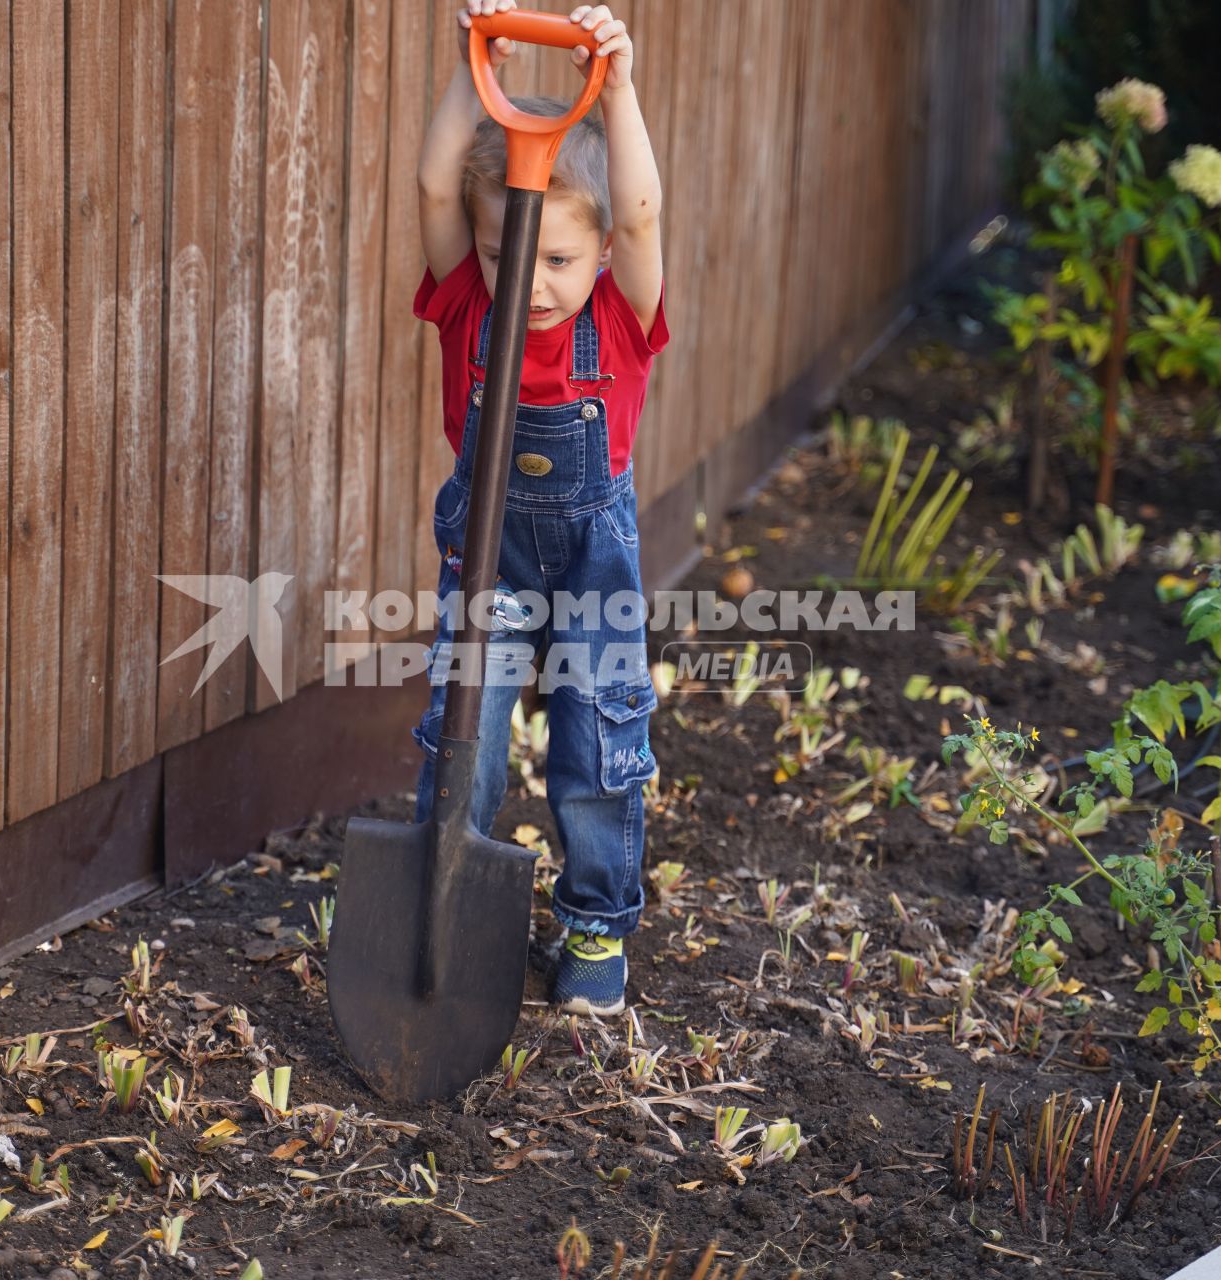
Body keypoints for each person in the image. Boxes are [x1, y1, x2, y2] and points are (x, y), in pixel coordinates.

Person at [410, 0, 667, 1017]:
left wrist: (623, 87)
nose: (529, 281)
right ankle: (446, 902)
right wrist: (470, 69)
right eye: (506, 255)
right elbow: (438, 179)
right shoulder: (468, 302)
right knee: (459, 730)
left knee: (596, 742)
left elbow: (642, 209)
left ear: (601, 254)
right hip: (493, 561)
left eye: (558, 259)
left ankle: (597, 922)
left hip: (595, 559)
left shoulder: (621, 312)